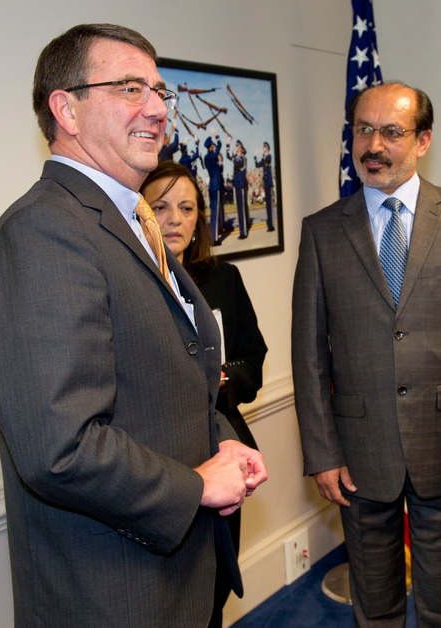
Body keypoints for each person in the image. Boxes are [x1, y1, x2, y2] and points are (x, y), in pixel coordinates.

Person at [0, 24, 267, 627]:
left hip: (179, 573)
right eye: (131, 88)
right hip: (113, 592)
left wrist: (219, 438)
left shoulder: (132, 220)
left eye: (161, 92)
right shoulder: (42, 233)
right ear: (67, 109)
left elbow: (164, 372)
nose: (158, 109)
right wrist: (195, 487)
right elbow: (60, 447)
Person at [291, 81, 441, 627]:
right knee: (375, 604)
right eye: (363, 130)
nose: (375, 145)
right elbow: (309, 355)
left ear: (423, 140)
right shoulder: (322, 231)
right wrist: (321, 453)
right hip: (358, 454)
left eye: (392, 132)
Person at [142, 161, 268, 627]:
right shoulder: (132, 282)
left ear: (199, 220)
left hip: (224, 450)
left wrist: (220, 381)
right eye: (160, 206)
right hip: (160, 466)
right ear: (140, 212)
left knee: (214, 587)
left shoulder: (223, 279)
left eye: (187, 207)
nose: (174, 218)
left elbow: (254, 359)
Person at [254, 141, 276, 232]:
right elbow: (258, 165)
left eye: (264, 147)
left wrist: (262, 154)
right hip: (266, 182)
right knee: (267, 205)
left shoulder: (268, 156)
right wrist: (255, 157)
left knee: (270, 205)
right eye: (263, 147)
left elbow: (267, 160)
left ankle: (272, 225)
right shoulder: (264, 157)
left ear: (267, 148)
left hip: (269, 182)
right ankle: (269, 224)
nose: (263, 148)